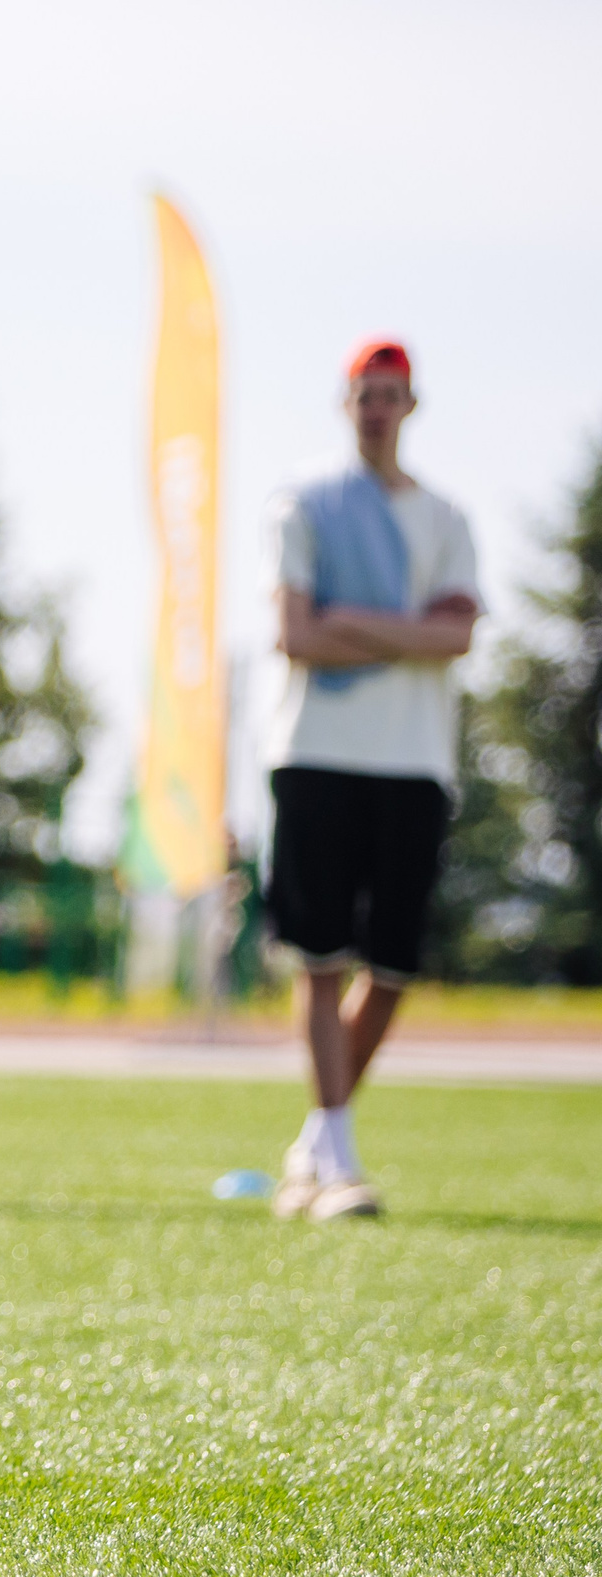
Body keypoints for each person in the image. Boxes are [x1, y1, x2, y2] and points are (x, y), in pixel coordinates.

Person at [265, 340, 478, 1222]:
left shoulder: (446, 518)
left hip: (414, 760)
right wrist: (403, 629)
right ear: (345, 402)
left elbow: (458, 634)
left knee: (390, 962)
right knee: (320, 958)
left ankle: (316, 1142)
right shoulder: (305, 501)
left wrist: (348, 616)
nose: (378, 410)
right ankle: (339, 1148)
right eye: (365, 395)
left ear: (412, 405)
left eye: (392, 396)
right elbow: (296, 633)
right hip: (317, 752)